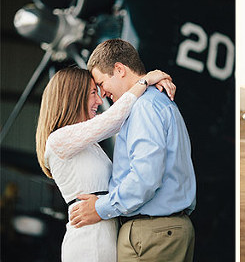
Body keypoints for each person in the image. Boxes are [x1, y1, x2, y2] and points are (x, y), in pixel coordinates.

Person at [69, 39, 197, 262]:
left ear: (119, 70)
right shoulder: (151, 103)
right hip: (157, 232)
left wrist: (100, 208)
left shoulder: (145, 107)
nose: (102, 93)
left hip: (153, 235)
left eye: (101, 83)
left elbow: (145, 178)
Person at [36, 67, 174, 261]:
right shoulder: (58, 140)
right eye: (93, 93)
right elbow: (114, 118)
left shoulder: (89, 144)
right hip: (88, 243)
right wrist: (145, 81)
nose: (100, 101)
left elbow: (118, 119)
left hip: (104, 239)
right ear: (73, 96)